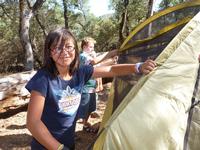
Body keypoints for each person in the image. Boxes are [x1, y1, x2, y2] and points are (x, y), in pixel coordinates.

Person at [25, 27, 156, 150]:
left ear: (75, 50)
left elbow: (110, 69)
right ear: (49, 52)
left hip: (68, 143)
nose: (64, 52)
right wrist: (59, 148)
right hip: (46, 146)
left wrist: (138, 67)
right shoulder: (43, 79)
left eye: (69, 47)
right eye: (57, 48)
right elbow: (33, 122)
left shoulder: (80, 72)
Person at [76, 37, 118, 133]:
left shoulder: (90, 56)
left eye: (93, 47)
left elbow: (96, 68)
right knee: (81, 110)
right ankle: (70, 130)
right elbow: (94, 63)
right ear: (84, 47)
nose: (92, 49)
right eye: (91, 47)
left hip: (91, 88)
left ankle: (85, 124)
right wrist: (109, 56)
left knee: (90, 108)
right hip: (85, 88)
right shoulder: (83, 56)